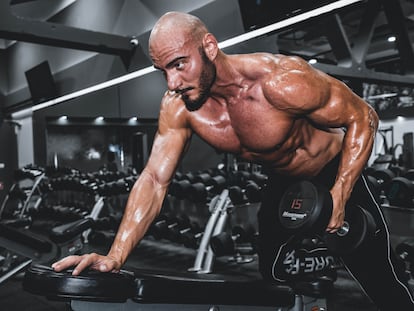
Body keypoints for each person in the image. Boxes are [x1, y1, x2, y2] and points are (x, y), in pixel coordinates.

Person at [52, 11, 414, 310]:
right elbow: (154, 179)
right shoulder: (179, 108)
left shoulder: (281, 82)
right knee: (271, 273)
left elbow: (363, 117)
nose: (172, 82)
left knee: (382, 279)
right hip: (281, 182)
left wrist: (341, 191)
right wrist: (116, 256)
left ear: (209, 47)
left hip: (334, 171)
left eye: (179, 64)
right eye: (162, 71)